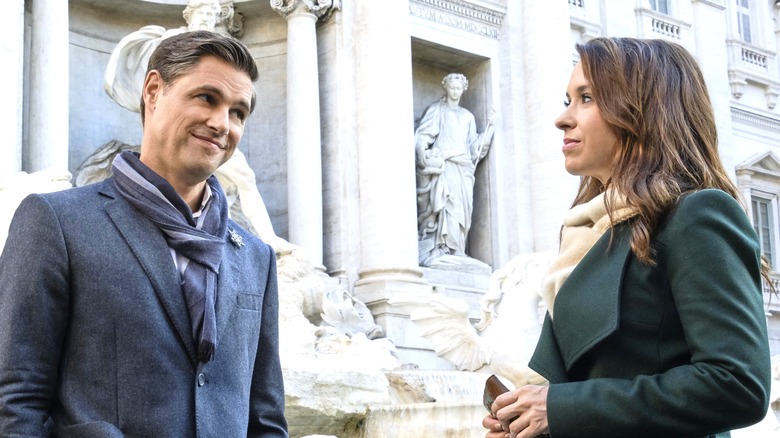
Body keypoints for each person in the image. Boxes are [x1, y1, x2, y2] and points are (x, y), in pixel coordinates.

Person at [0, 31, 288, 437]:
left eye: (238, 112)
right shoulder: (56, 222)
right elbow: (15, 400)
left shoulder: (255, 256)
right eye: (207, 97)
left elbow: (266, 420)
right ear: (153, 91)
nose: (222, 123)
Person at [483, 37, 772, 438]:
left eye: (586, 98)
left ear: (642, 111)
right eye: (567, 99)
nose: (562, 119)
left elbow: (738, 384)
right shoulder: (589, 235)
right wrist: (532, 423)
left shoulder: (696, 215)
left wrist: (559, 409)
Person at [415, 73, 495, 267]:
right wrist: (422, 151)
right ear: (446, 88)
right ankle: (442, 247)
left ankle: (458, 248)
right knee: (447, 205)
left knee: (462, 211)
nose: (455, 91)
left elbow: (475, 147)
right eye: (452, 88)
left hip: (464, 168)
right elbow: (423, 136)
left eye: (459, 88)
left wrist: (490, 129)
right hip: (446, 166)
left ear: (463, 89)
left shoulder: (467, 117)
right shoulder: (436, 110)